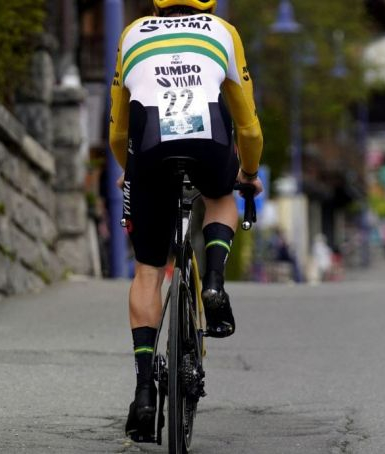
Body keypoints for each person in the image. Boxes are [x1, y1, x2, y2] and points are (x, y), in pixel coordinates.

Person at [108, 0, 263, 441]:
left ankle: (143, 390)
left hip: (149, 147)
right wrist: (248, 174)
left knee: (148, 270)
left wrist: (129, 170)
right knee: (220, 196)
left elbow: (119, 130)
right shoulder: (222, 31)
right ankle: (213, 282)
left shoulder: (133, 33)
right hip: (210, 142)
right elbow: (248, 127)